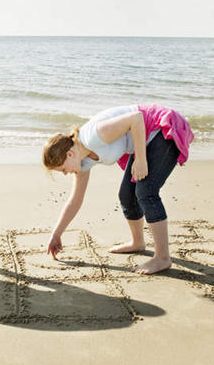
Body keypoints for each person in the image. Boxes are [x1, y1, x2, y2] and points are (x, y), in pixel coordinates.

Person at [42, 104, 193, 274]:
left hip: (161, 128)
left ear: (69, 154)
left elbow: (136, 118)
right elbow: (75, 200)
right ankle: (138, 242)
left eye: (62, 169)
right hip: (144, 138)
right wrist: (56, 234)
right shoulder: (82, 162)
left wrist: (141, 159)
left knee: (146, 192)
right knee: (127, 196)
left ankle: (162, 258)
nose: (65, 173)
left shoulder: (94, 136)